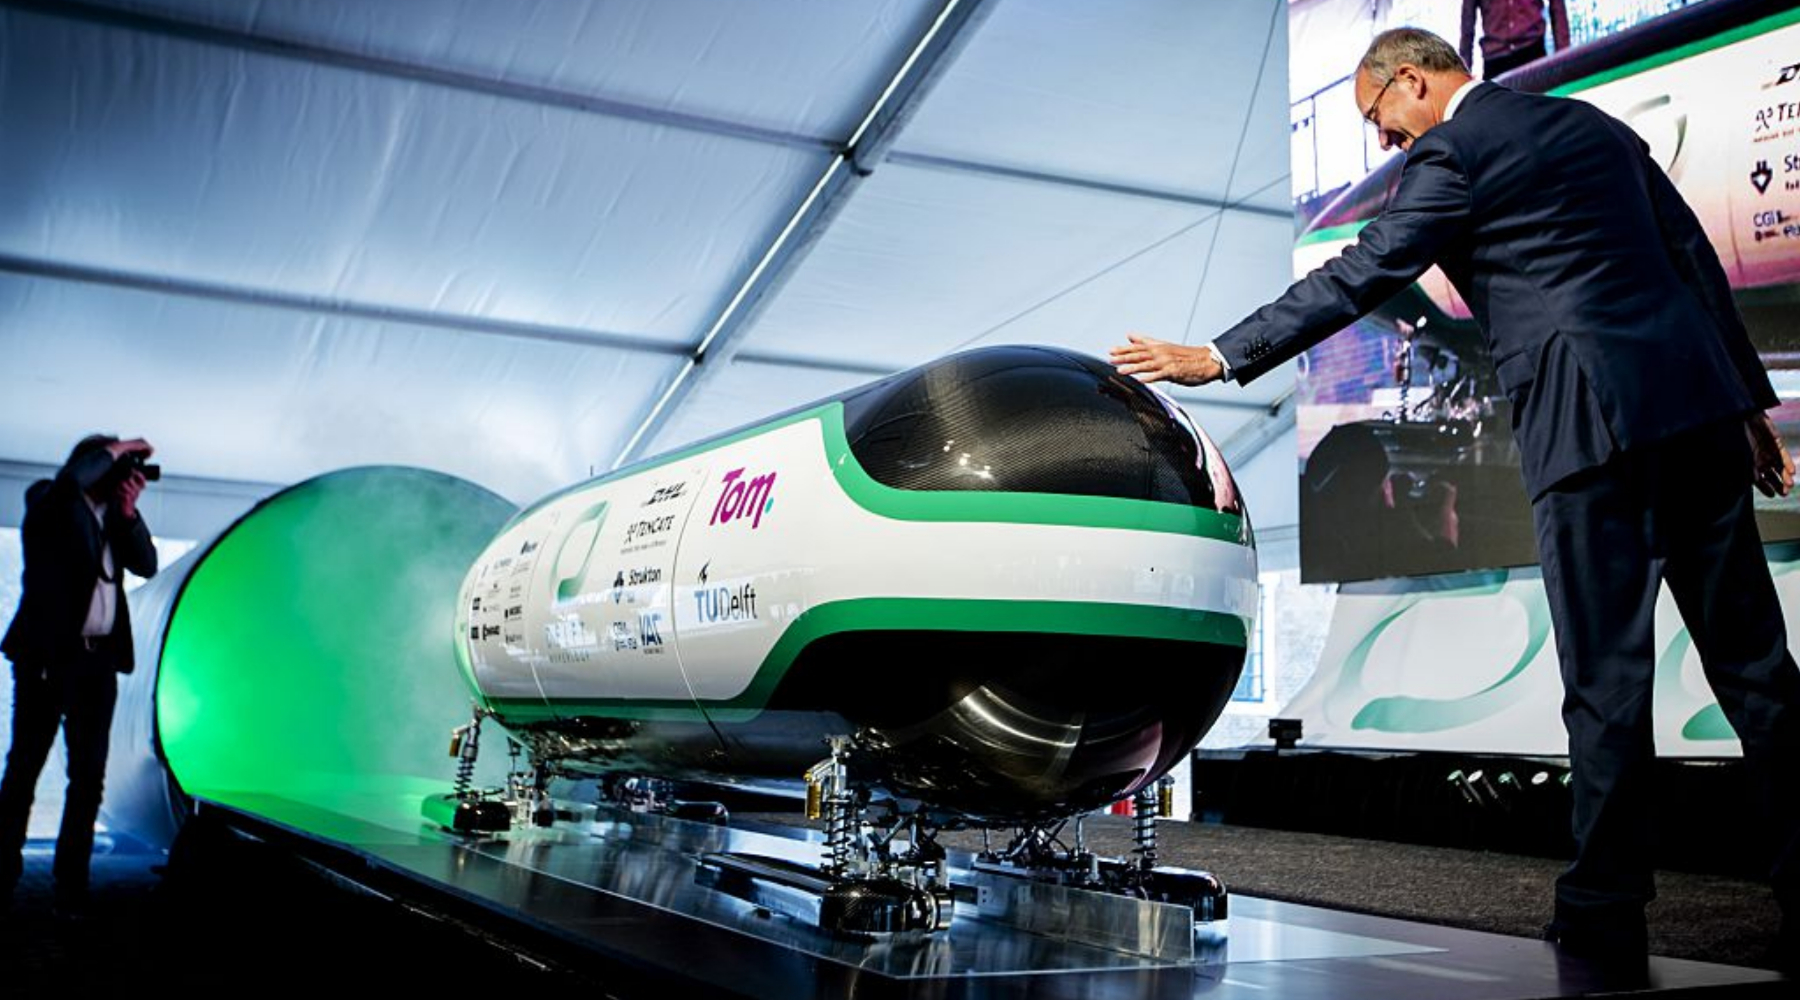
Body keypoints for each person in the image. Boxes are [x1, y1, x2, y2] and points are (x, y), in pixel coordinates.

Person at [1111, 28, 1800, 959]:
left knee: (1606, 682)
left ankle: (1603, 910)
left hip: (1589, 430)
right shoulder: (1594, 127)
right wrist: (1748, 404)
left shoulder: (1455, 149)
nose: (1384, 140)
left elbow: (1364, 270)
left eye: (1378, 117)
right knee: (1759, 672)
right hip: (1696, 412)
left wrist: (1221, 355)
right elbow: (1694, 261)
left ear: (1412, 79)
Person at [0, 435, 157, 917]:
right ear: (91, 464)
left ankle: (71, 885)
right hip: (47, 659)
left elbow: (146, 564)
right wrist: (120, 446)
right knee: (24, 770)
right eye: (113, 464)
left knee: (88, 779)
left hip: (97, 663)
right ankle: (1, 875)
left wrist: (128, 513)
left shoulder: (114, 517)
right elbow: (70, 485)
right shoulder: (49, 499)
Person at [1461, 0, 1570, 78]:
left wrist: (1564, 56)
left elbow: (1557, 7)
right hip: (1495, 59)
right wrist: (1463, 74)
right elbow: (1467, 22)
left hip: (1533, 51)